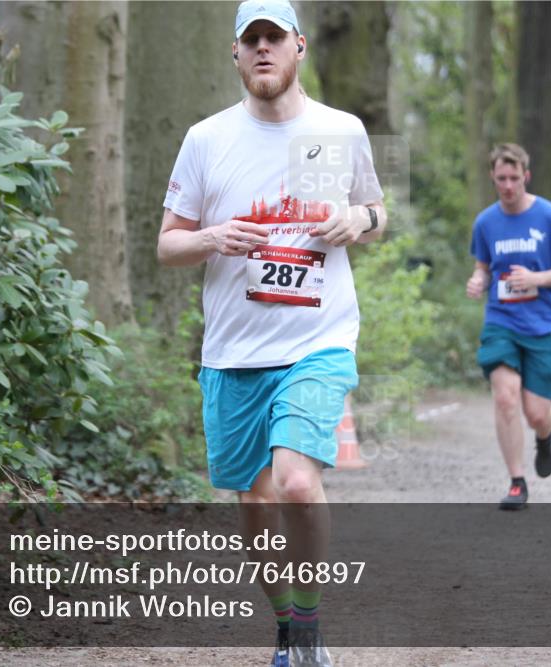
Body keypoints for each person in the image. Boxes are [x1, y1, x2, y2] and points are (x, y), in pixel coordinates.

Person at [157, 2, 387, 664]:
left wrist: (359, 222)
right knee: (253, 500)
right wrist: (210, 237)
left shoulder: (335, 130)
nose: (263, 49)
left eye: (274, 38)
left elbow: (375, 208)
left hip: (318, 340)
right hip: (232, 352)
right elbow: (167, 245)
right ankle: (285, 621)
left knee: (293, 482)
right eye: (250, 40)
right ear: (235, 53)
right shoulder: (207, 139)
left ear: (299, 48)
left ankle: (309, 631)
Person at [466, 143, 551, 511]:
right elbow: (483, 267)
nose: (508, 185)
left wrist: (538, 278)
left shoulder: (550, 217)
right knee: (504, 397)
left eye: (515, 178)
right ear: (493, 178)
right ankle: (517, 481)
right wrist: (477, 281)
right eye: (501, 178)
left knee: (536, 414)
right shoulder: (485, 222)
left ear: (526, 177)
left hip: (545, 324)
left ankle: (546, 437)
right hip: (501, 321)